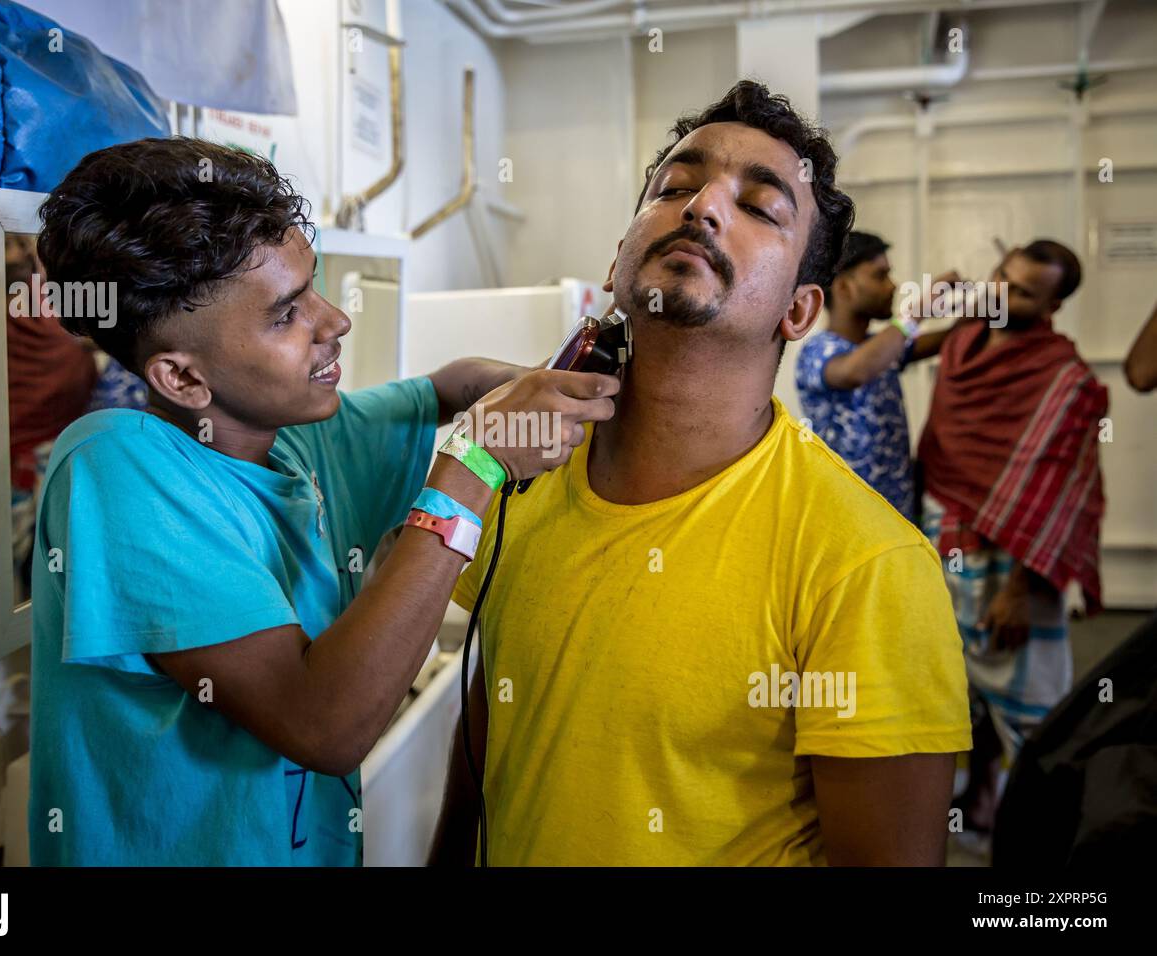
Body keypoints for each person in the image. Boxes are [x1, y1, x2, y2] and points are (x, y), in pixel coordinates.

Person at [26, 138, 618, 865]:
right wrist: (476, 463)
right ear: (182, 380)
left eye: (313, 286)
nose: (333, 320)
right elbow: (324, 726)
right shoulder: (115, 466)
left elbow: (451, 386)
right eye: (285, 315)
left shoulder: (297, 443)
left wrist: (559, 386)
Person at [430, 81, 971, 867]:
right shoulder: (524, 480)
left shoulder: (868, 566)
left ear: (798, 310)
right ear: (618, 260)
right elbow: (498, 714)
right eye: (675, 187)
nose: (702, 207)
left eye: (760, 206)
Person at [916, 240, 1107, 836]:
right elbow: (881, 355)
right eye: (1001, 276)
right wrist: (919, 307)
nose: (1001, 291)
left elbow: (1058, 496)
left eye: (1022, 291)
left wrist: (1020, 592)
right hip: (944, 543)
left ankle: (1042, 842)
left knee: (1030, 708)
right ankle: (980, 801)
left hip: (1012, 570)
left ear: (1053, 303)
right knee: (957, 693)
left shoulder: (1064, 377)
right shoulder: (965, 337)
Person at [795, 231, 958, 515]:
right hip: (848, 519)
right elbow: (856, 371)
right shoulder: (818, 351)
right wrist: (918, 311)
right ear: (844, 288)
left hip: (898, 515)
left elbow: (951, 338)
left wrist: (986, 306)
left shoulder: (880, 347)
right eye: (880, 276)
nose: (892, 286)